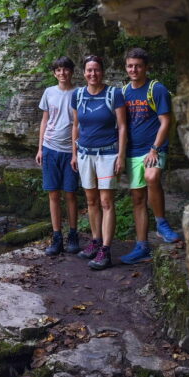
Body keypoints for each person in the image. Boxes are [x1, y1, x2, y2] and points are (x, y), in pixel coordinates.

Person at [119, 47, 182, 264]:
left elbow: (166, 121)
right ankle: (141, 246)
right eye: (130, 66)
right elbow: (121, 125)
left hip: (154, 148)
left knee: (152, 177)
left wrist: (155, 148)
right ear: (126, 68)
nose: (134, 69)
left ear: (146, 67)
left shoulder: (157, 89)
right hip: (132, 151)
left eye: (138, 65)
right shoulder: (124, 91)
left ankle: (162, 224)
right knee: (137, 199)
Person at [70, 55, 127, 271]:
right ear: (84, 73)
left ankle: (105, 249)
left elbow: (122, 127)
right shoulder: (78, 95)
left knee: (106, 202)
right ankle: (95, 241)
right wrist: (74, 153)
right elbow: (75, 126)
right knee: (91, 200)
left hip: (107, 154)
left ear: (102, 71)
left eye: (96, 70)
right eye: (89, 70)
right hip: (85, 153)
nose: (92, 74)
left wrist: (121, 156)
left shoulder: (114, 94)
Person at [36, 56, 80, 256]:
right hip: (50, 147)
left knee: (70, 194)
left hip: (68, 151)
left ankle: (73, 234)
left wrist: (75, 152)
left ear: (71, 71)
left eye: (66, 69)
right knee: (53, 194)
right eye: (58, 70)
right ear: (54, 73)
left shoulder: (78, 93)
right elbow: (45, 121)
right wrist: (40, 148)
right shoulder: (48, 92)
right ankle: (56, 237)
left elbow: (78, 125)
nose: (62, 73)